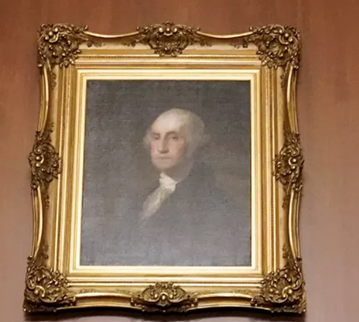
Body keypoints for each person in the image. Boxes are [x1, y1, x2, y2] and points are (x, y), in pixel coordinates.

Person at [81, 107, 250, 267]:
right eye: (156, 137)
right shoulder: (139, 198)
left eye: (174, 138)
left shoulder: (216, 204)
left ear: (194, 144)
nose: (161, 148)